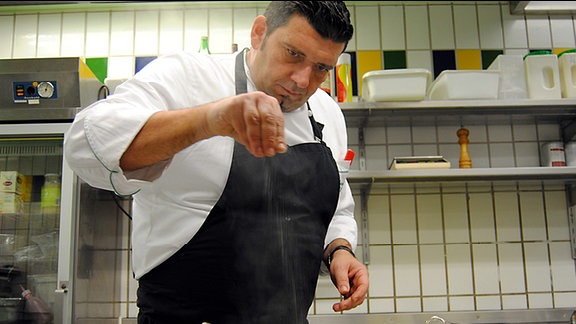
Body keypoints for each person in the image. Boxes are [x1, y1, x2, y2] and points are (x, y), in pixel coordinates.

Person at [64, 1, 369, 323]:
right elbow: (85, 145)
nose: (302, 81)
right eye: (293, 53)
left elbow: (336, 206)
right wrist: (207, 120)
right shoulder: (188, 76)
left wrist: (339, 250)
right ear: (259, 33)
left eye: (322, 67)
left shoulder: (326, 111)